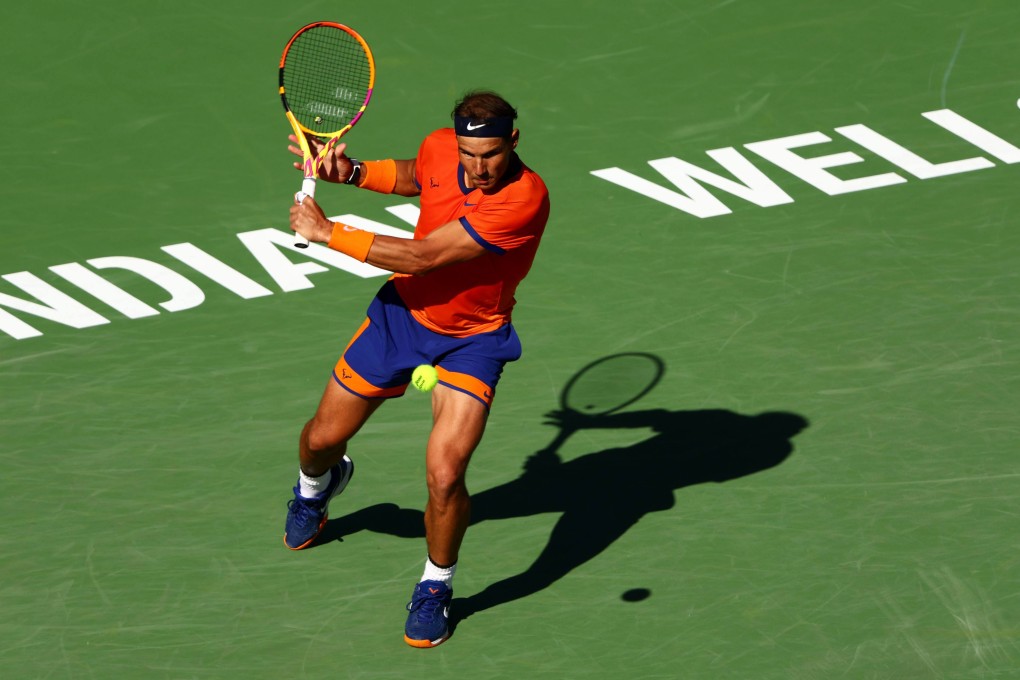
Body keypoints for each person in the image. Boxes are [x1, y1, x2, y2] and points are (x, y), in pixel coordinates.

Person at [283, 90, 550, 648]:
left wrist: (329, 232)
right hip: (400, 319)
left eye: (491, 155)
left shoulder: (524, 199)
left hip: (473, 342)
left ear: (514, 142)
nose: (478, 168)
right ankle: (316, 487)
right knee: (320, 440)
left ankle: (436, 586)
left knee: (446, 474)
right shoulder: (440, 150)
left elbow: (424, 256)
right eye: (468, 155)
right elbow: (417, 174)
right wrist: (351, 171)